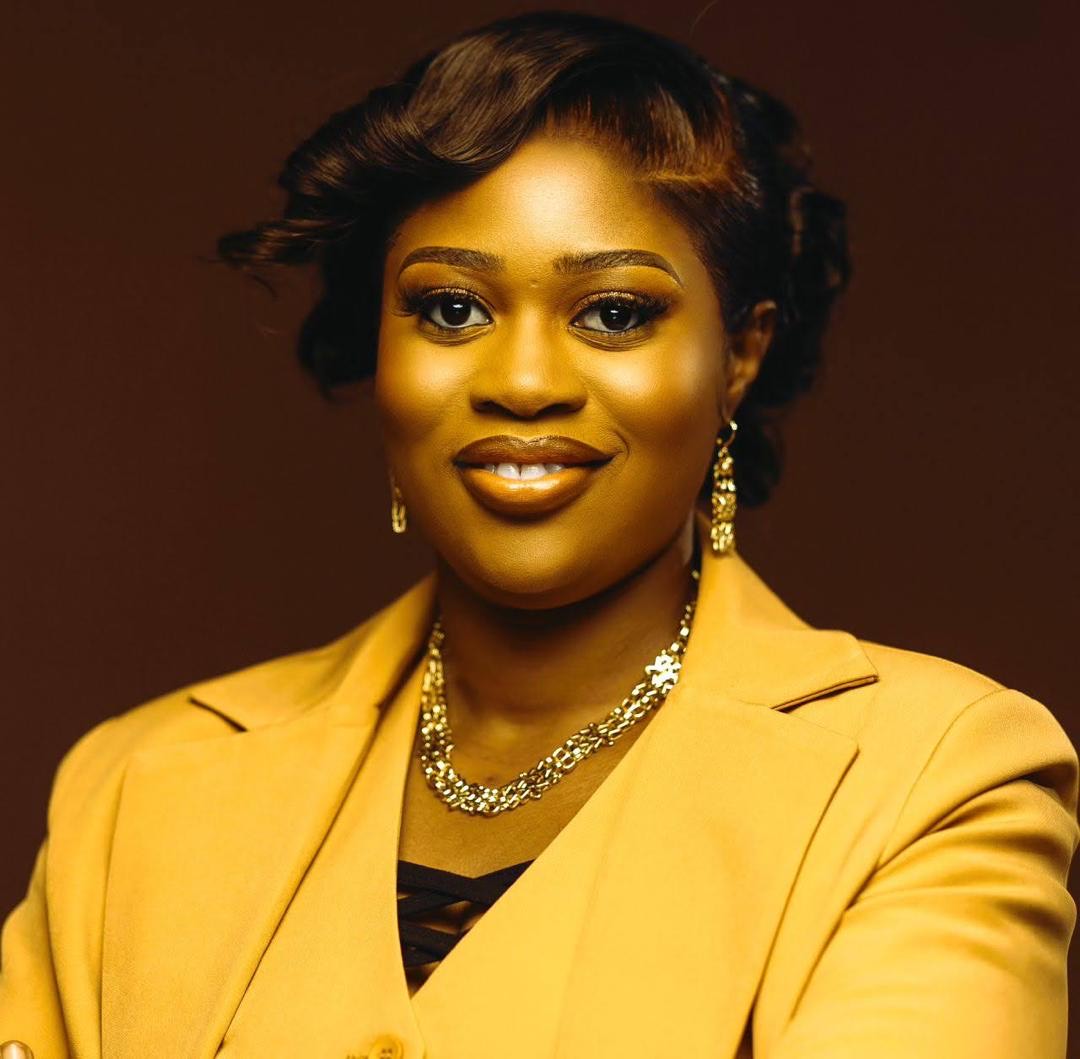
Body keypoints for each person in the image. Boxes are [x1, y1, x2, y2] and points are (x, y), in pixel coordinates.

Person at [2, 10, 1077, 1059]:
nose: (521, 382)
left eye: (613, 312)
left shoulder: (929, 782)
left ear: (739, 356)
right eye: (451, 309)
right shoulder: (140, 786)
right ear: (381, 349)